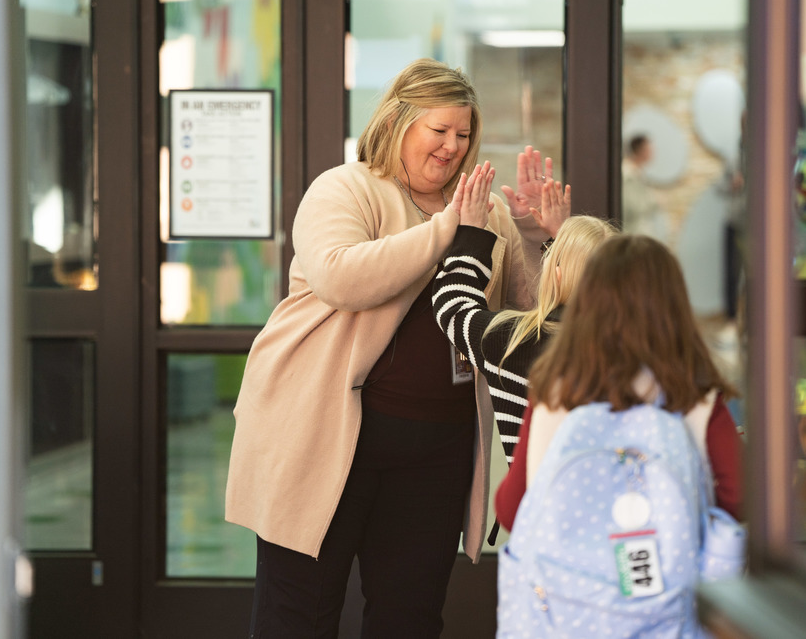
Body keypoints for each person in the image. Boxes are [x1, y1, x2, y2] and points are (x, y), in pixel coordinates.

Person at [224, 57, 552, 638]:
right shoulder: (345, 188)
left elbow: (521, 322)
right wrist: (449, 230)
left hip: (436, 449)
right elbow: (339, 278)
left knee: (411, 617)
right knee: (298, 615)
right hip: (326, 437)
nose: (453, 146)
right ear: (400, 123)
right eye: (439, 130)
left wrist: (533, 236)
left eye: (464, 132)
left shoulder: (484, 206)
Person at [496, 234, 744, 637]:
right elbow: (740, 496)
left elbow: (511, 510)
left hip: (566, 618)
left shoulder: (555, 394)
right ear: (674, 308)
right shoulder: (695, 399)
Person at [433, 187, 618, 465]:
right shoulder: (632, 347)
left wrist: (471, 233)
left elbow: (453, 305)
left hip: (532, 505)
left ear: (555, 273)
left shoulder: (516, 340)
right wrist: (563, 243)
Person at [621, 133, 664, 239]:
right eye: (649, 148)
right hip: (632, 236)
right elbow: (632, 207)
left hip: (639, 234)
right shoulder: (628, 174)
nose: (652, 152)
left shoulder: (638, 173)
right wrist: (655, 201)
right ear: (640, 150)